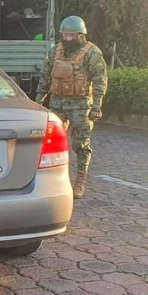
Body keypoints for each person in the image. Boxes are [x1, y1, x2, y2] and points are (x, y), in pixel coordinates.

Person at [35, 16, 108, 199]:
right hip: (57, 103)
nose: (67, 38)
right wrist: (38, 100)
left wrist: (97, 106)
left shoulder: (92, 53)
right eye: (65, 35)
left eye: (71, 35)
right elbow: (45, 76)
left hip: (81, 106)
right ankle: (57, 181)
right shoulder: (55, 52)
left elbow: (100, 80)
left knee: (80, 144)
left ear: (81, 35)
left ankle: (80, 180)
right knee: (51, 145)